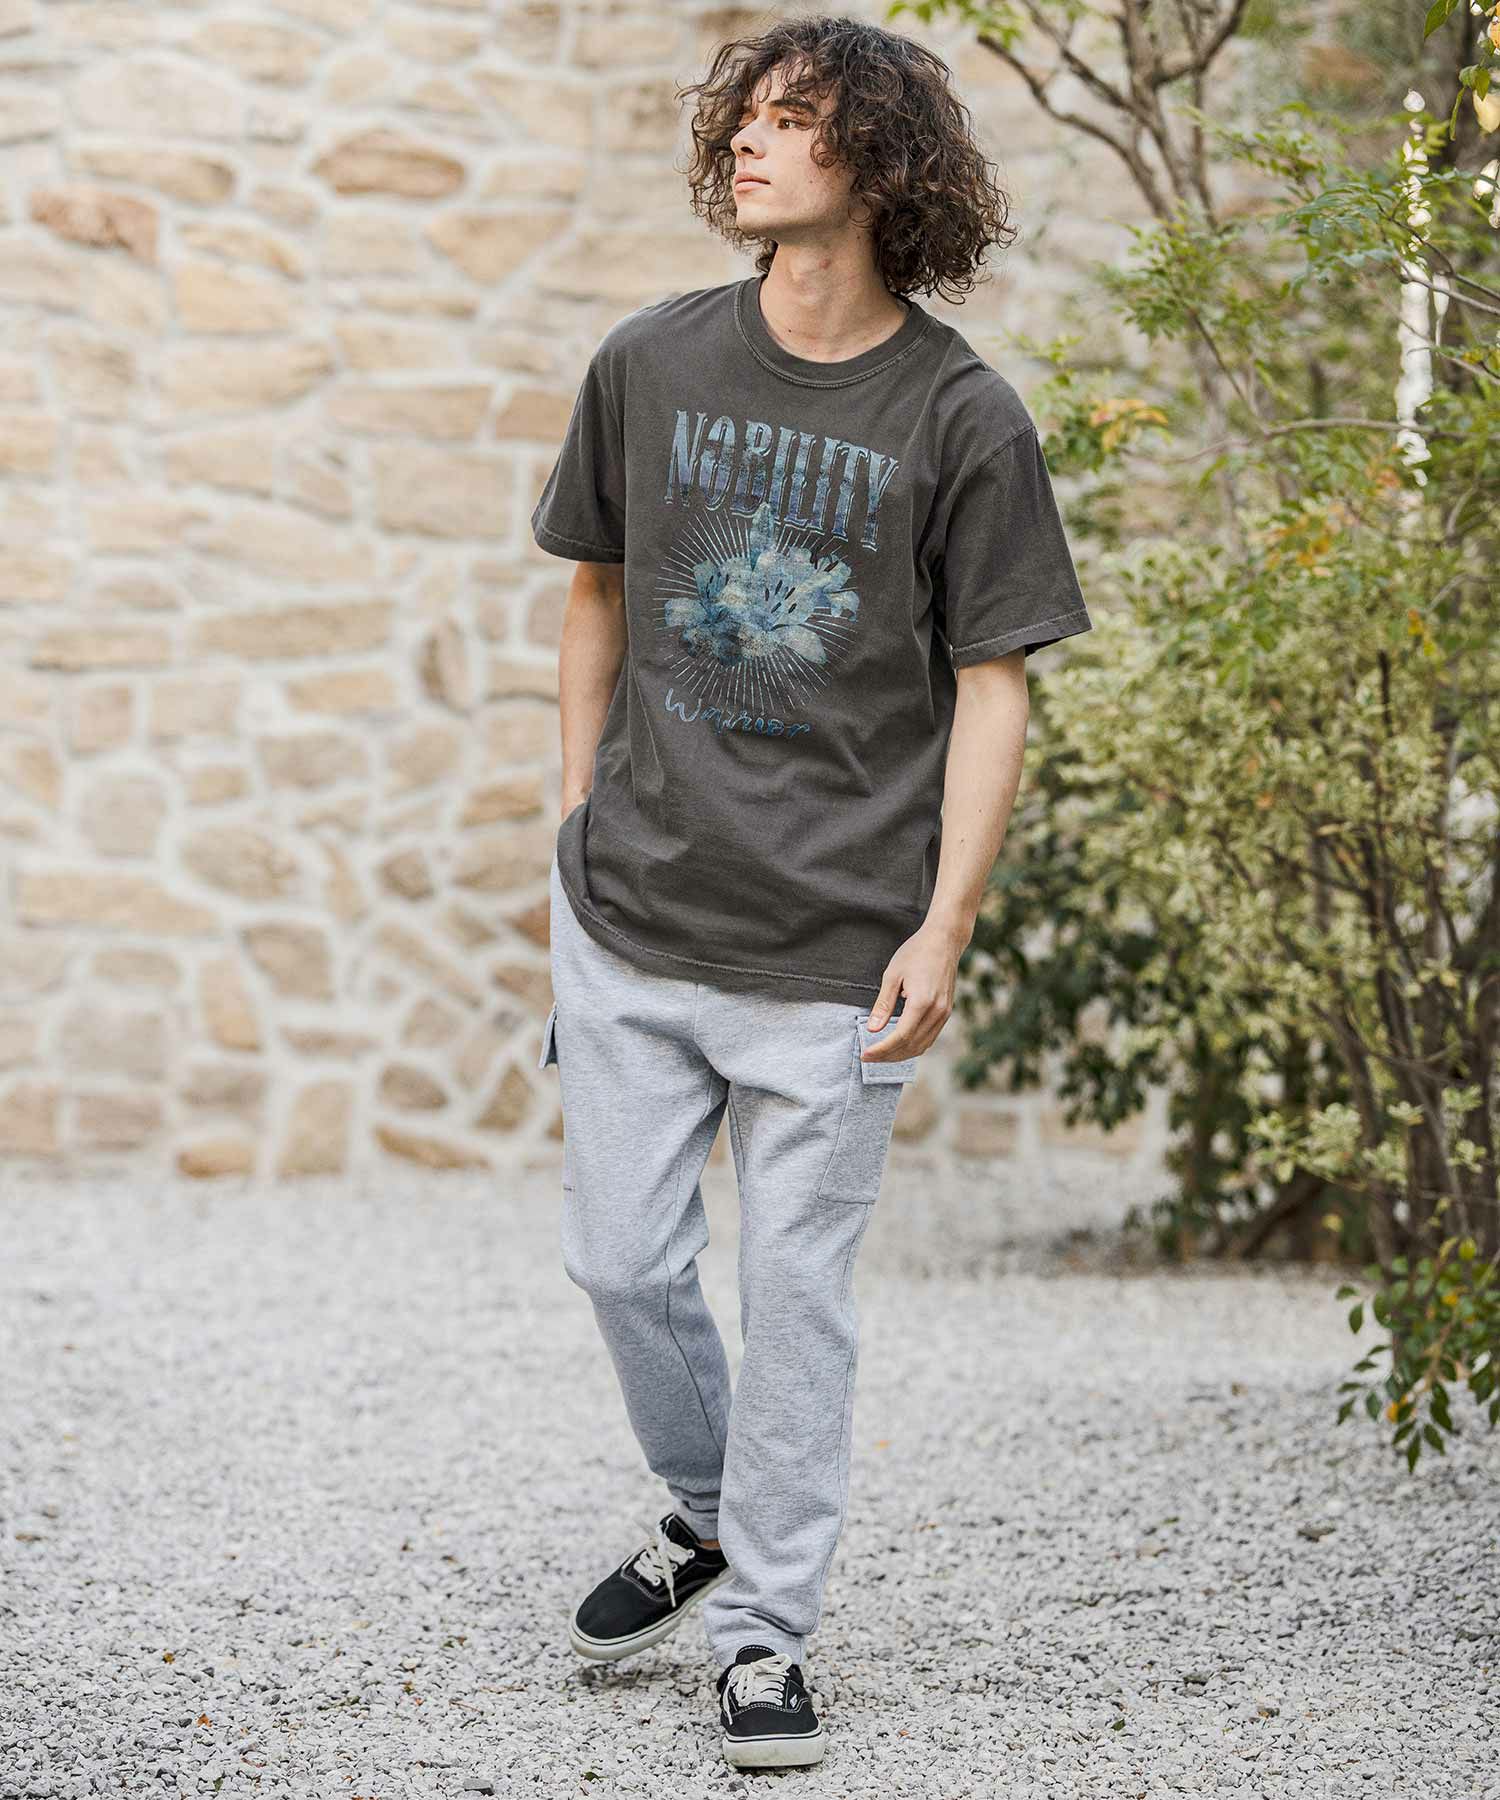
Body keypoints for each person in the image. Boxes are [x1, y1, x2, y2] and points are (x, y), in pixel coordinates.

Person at [530, 13, 1092, 1772]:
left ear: (881, 165)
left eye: (791, 120)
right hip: (633, 914)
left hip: (840, 950)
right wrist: (574, 818)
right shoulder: (651, 360)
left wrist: (946, 923)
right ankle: (714, 1511)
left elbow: (994, 683)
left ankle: (766, 1632)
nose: (747, 144)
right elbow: (596, 588)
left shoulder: (961, 416)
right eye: (744, 119)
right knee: (620, 1262)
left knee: (798, 1304)